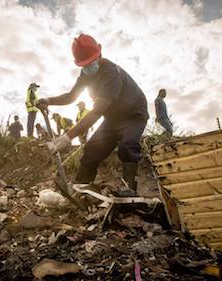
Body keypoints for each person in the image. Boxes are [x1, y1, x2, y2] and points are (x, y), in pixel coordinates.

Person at [37, 34, 149, 196]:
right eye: (84, 65)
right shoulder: (86, 75)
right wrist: (49, 100)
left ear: (100, 53)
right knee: (92, 149)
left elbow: (97, 111)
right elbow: (71, 96)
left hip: (133, 114)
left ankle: (130, 188)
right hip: (113, 118)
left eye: (90, 62)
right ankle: (80, 188)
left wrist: (67, 137)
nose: (88, 67)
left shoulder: (111, 72)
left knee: (127, 144)